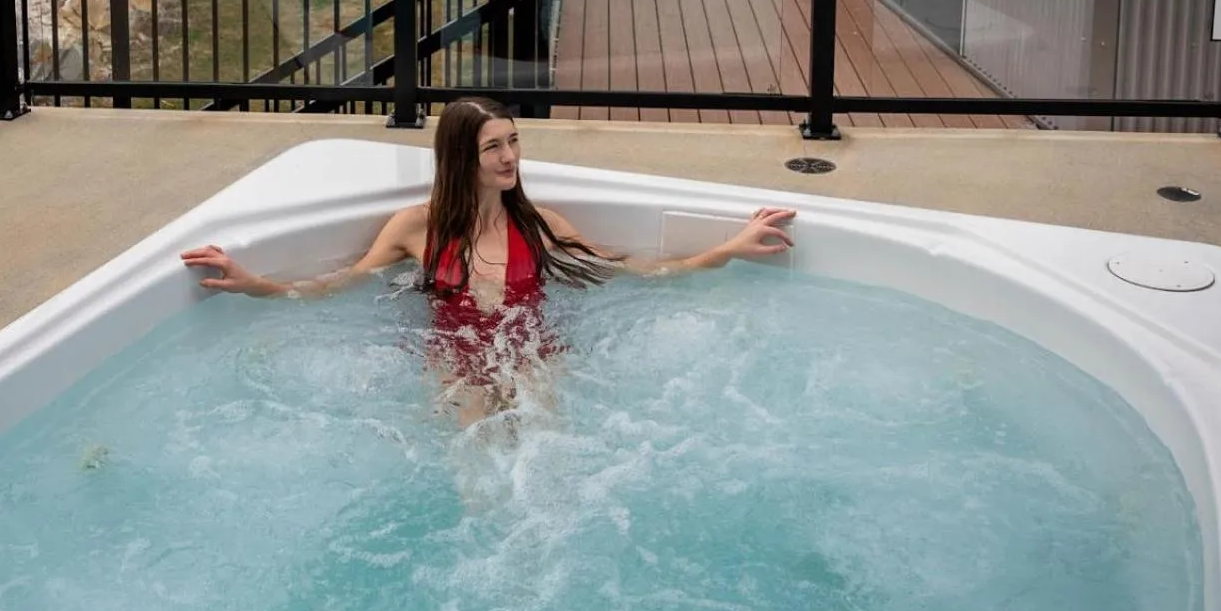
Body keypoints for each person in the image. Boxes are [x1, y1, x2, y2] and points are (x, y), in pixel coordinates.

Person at [181, 97, 796, 422]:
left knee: (547, 468)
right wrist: (253, 284)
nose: (510, 158)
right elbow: (338, 286)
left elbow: (634, 269)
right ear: (460, 157)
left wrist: (728, 250)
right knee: (476, 482)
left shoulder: (539, 224)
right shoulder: (415, 228)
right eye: (493, 147)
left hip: (534, 357)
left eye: (514, 141)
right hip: (454, 362)